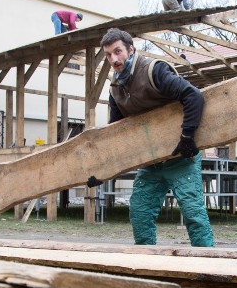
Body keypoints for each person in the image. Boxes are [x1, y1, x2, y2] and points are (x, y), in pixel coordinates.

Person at [87, 28, 214, 247]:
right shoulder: (115, 89)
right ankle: (148, 265)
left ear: (131, 49)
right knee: (140, 213)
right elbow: (116, 134)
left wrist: (187, 136)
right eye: (108, 55)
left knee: (193, 213)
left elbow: (193, 96)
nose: (113, 59)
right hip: (151, 162)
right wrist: (101, 171)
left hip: (181, 157)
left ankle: (208, 268)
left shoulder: (154, 71)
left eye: (118, 51)